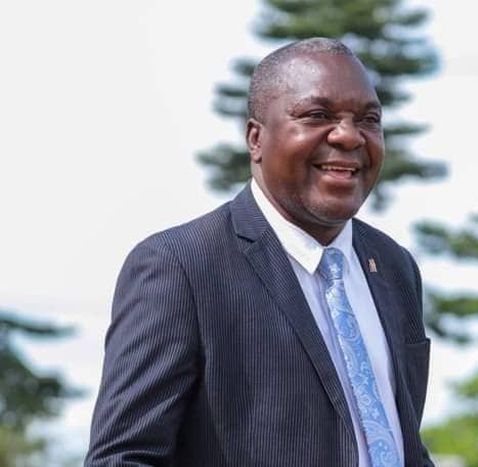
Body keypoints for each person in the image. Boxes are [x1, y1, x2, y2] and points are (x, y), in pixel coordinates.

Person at [85, 37, 433, 467]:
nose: (348, 135)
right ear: (255, 138)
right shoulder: (180, 267)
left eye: (369, 119)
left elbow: (401, 444)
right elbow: (124, 458)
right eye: (318, 115)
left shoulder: (394, 268)